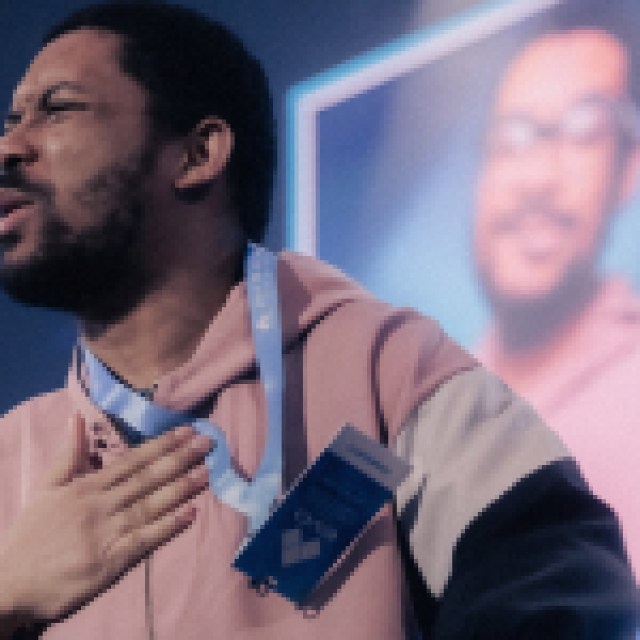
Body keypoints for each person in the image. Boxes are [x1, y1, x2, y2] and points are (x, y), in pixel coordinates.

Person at [0, 3, 637, 638]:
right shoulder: (13, 456)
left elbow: (564, 599)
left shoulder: (388, 375)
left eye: (59, 109)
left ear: (197, 154)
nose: (8, 148)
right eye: (12, 119)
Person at [474, 12, 640, 578]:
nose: (538, 177)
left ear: (627, 170)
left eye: (583, 133)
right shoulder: (407, 406)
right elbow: (277, 585)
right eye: (513, 137)